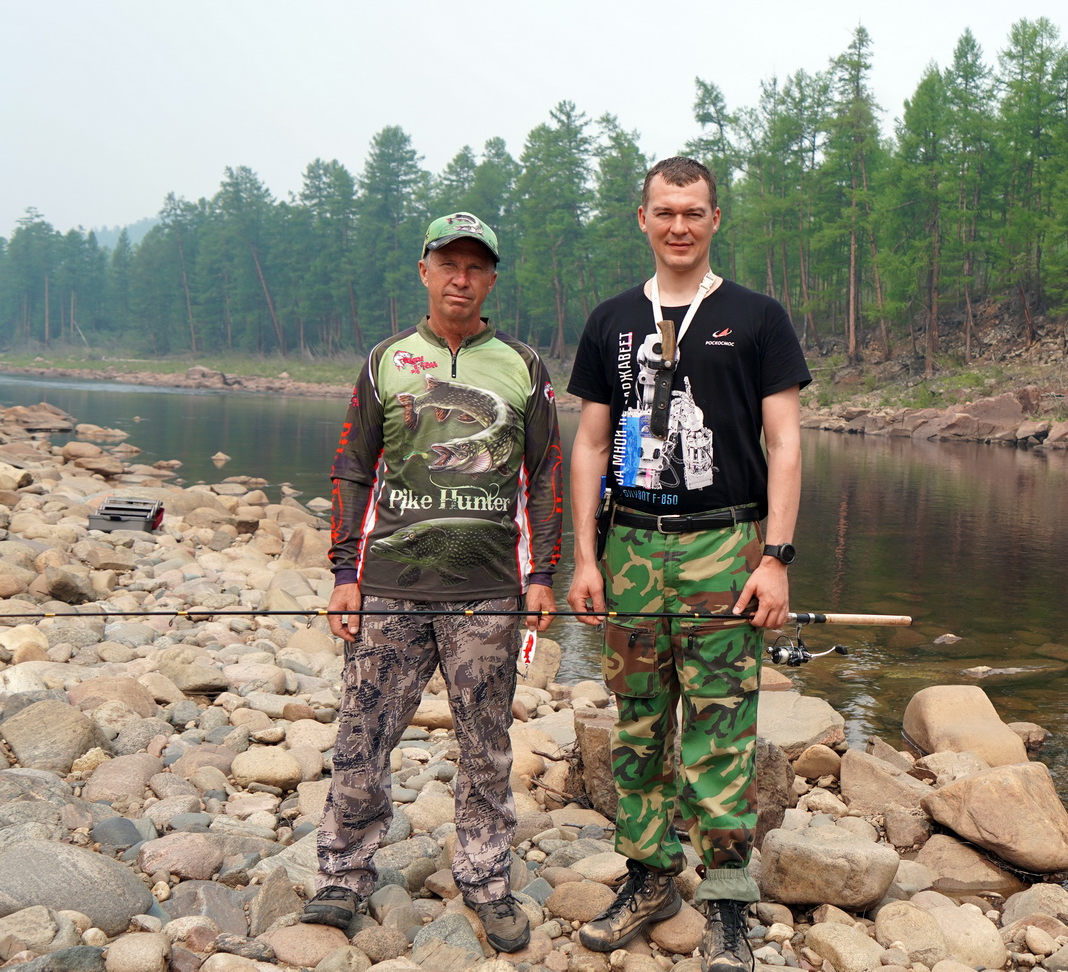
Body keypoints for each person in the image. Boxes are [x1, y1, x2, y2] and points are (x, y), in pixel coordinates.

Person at [565, 157, 808, 972]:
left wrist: (776, 558)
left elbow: (785, 442)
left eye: (693, 211)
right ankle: (649, 877)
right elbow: (591, 443)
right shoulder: (611, 320)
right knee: (637, 724)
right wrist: (586, 558)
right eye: (665, 211)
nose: (679, 225)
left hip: (724, 545)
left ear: (715, 219)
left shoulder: (757, 316)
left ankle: (729, 900)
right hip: (632, 545)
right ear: (642, 218)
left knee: (720, 725)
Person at [303, 212, 563, 954]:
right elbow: (353, 466)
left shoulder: (522, 364)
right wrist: (344, 573)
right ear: (424, 271)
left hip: (487, 592)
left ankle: (485, 879)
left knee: (486, 744)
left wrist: (542, 574)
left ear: (491, 280)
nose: (461, 278)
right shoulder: (387, 360)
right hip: (389, 586)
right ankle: (344, 874)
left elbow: (545, 473)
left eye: (475, 267)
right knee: (362, 733)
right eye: (448, 264)